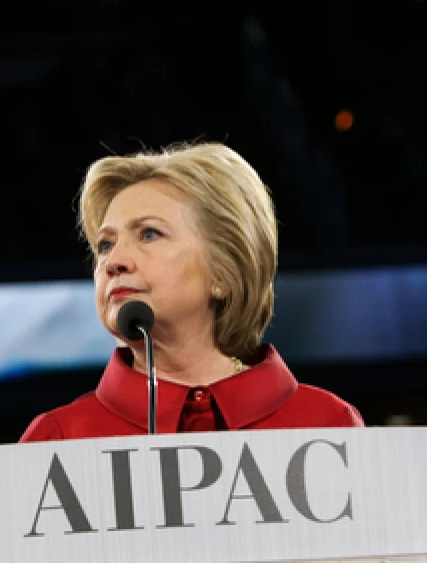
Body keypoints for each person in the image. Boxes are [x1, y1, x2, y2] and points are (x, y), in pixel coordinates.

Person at [20, 142, 363, 442]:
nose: (113, 261)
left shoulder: (329, 425)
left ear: (224, 272)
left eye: (149, 234)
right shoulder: (57, 439)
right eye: (105, 244)